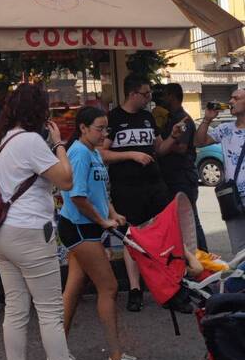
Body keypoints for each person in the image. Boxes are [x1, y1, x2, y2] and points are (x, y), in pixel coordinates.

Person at [0, 83, 108, 360]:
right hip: (30, 233)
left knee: (15, 311)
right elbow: (66, 180)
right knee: (50, 313)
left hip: (1, 233)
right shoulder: (30, 141)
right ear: (37, 111)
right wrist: (57, 143)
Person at [59, 106, 153, 360]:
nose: (104, 134)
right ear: (83, 128)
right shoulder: (79, 153)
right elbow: (77, 196)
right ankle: (116, 359)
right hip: (81, 228)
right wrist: (102, 220)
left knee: (73, 289)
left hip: (86, 227)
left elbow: (99, 190)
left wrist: (112, 213)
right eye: (99, 128)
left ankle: (57, 355)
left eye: (106, 128)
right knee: (109, 287)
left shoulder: (92, 152)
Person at [104, 75, 187, 311]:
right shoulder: (114, 118)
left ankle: (169, 286)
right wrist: (131, 155)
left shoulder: (148, 117)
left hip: (154, 183)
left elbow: (159, 149)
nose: (150, 98)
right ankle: (135, 289)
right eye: (146, 93)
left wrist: (173, 137)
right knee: (132, 236)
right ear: (132, 94)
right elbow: (101, 153)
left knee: (163, 233)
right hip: (127, 187)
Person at [155, 83, 207, 250]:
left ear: (172, 96)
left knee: (190, 220)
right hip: (170, 176)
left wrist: (162, 145)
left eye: (164, 95)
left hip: (183, 177)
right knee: (175, 221)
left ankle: (203, 256)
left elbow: (182, 147)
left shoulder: (183, 119)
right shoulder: (168, 118)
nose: (161, 99)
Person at [196, 88, 245, 255]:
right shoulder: (225, 129)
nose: (230, 101)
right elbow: (199, 142)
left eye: (236, 98)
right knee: (238, 251)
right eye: (231, 98)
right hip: (232, 197)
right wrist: (207, 120)